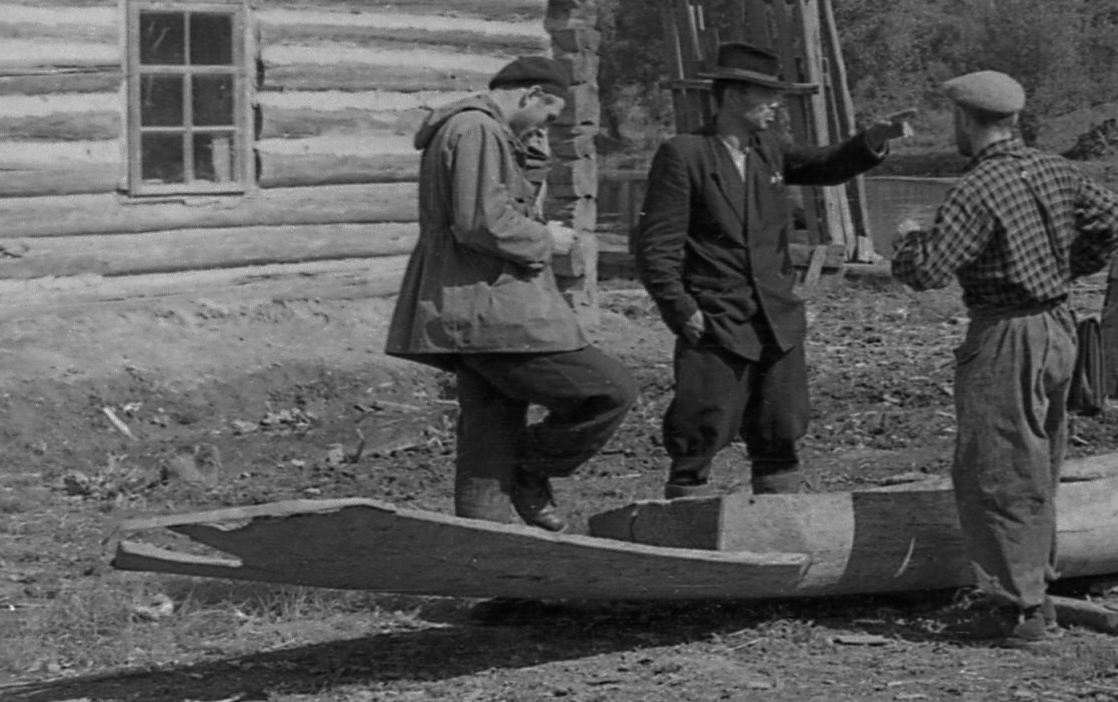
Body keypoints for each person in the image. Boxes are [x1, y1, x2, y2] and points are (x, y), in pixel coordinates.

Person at [889, 71, 1118, 646]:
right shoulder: (1053, 168)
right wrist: (1070, 267)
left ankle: (1016, 608)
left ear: (965, 120)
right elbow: (1116, 220)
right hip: (1058, 326)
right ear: (1014, 119)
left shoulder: (976, 189)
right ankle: (1036, 590)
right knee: (1039, 462)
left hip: (1006, 335)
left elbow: (927, 272)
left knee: (996, 471)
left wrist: (906, 242)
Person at [633, 41, 917, 498]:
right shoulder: (684, 155)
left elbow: (826, 165)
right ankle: (685, 520)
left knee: (780, 425)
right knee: (699, 426)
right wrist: (680, 307)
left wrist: (874, 139)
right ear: (731, 97)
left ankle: (779, 521)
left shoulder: (770, 150)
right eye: (765, 94)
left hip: (776, 315)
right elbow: (655, 246)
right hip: (716, 316)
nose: (777, 104)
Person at [386, 56, 639, 531]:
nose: (548, 125)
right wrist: (548, 240)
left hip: (473, 306)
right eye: (548, 115)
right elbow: (482, 221)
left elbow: (498, 202)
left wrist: (532, 154)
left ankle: (488, 563)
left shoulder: (485, 133)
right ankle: (531, 468)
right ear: (530, 96)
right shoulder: (477, 131)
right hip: (490, 307)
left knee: (489, 439)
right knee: (609, 391)